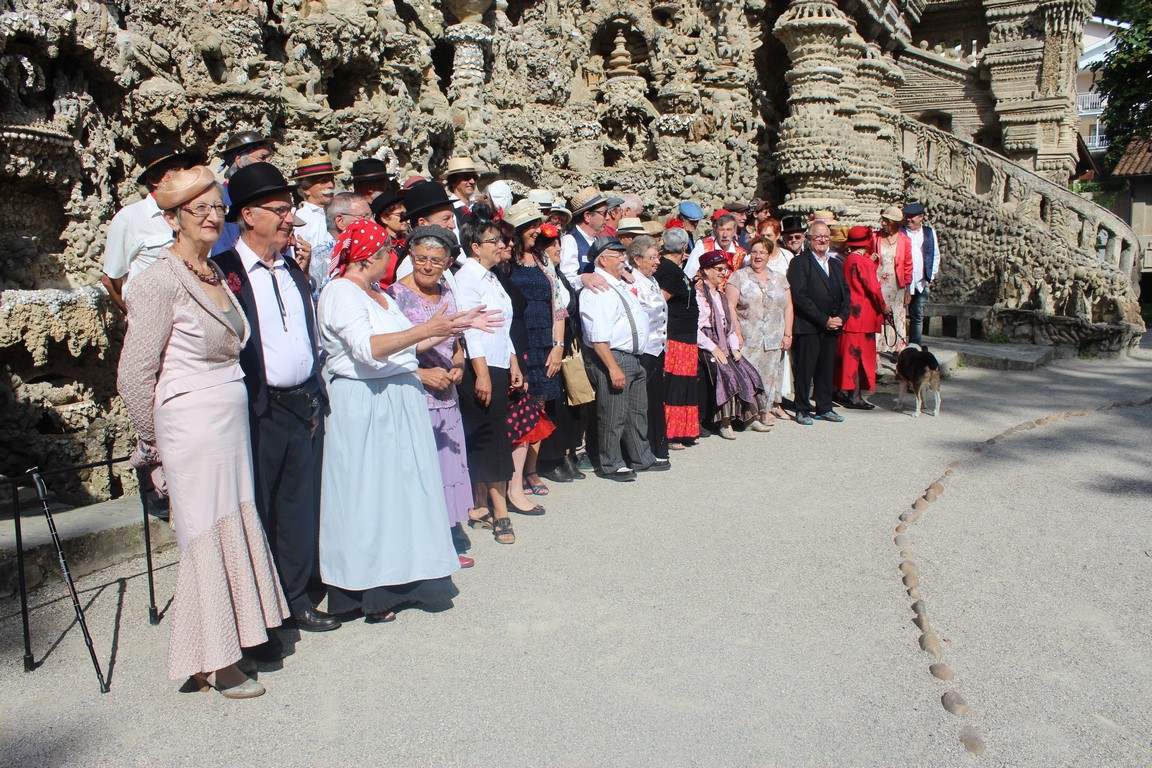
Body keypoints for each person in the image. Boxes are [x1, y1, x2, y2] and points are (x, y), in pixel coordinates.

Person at [117, 166, 286, 698]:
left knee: (227, 529)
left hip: (226, 424)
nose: (214, 216)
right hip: (189, 426)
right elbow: (133, 374)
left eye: (218, 206)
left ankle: (226, 642)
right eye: (199, 208)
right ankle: (215, 659)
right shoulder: (157, 279)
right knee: (204, 538)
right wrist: (153, 447)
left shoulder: (212, 271)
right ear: (171, 218)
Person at [317, 221, 495, 622]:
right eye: (387, 250)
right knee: (370, 497)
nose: (393, 257)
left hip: (397, 398)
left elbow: (408, 342)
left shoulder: (377, 294)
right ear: (371, 256)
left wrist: (451, 327)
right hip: (366, 403)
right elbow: (368, 349)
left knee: (402, 495)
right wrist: (427, 328)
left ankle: (406, 580)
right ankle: (367, 590)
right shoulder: (342, 293)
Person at [211, 162, 341, 646]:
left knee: (297, 506)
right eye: (281, 210)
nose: (290, 218)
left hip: (302, 404)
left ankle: (296, 598)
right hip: (258, 409)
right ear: (248, 215)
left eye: (289, 208)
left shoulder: (293, 268)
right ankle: (259, 614)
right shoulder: (224, 274)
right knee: (259, 509)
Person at [388, 226, 488, 569]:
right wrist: (421, 373)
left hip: (447, 392)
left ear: (447, 264)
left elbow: (456, 340)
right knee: (421, 470)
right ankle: (425, 541)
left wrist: (459, 364)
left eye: (435, 261)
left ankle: (447, 533)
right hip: (415, 393)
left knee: (448, 465)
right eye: (420, 259)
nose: (427, 266)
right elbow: (389, 349)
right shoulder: (396, 295)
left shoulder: (447, 293)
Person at [455, 220, 523, 544]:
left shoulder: (491, 277)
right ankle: (500, 511)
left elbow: (501, 326)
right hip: (478, 367)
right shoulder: (467, 277)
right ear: (475, 247)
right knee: (492, 437)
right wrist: (482, 374)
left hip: (497, 363)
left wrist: (513, 363)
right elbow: (471, 329)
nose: (500, 245)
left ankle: (480, 505)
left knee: (491, 436)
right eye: (492, 240)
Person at [579, 236, 662, 481]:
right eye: (618, 255)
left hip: (632, 356)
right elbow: (598, 337)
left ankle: (641, 456)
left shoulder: (618, 283)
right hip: (613, 356)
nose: (624, 258)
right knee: (613, 413)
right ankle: (611, 463)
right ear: (603, 259)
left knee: (637, 411)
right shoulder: (598, 289)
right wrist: (613, 367)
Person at [504, 200, 562, 508]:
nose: (537, 230)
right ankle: (514, 475)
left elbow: (560, 305)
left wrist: (558, 346)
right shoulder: (506, 262)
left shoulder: (542, 258)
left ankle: (531, 470)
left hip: (545, 340)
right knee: (520, 408)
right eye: (531, 226)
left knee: (539, 405)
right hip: (520, 339)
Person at [101, 142, 200, 314]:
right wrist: (138, 317)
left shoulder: (195, 212)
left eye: (186, 168)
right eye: (177, 169)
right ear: (155, 179)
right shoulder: (130, 218)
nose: (185, 175)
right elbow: (110, 280)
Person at [534, 222, 587, 483]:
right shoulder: (543, 274)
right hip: (551, 345)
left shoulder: (558, 275)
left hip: (567, 344)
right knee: (554, 403)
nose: (558, 248)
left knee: (569, 402)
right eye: (552, 244)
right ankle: (550, 458)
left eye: (559, 243)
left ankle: (568, 452)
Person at [696, 252, 769, 439]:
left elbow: (728, 328)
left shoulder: (720, 296)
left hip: (724, 342)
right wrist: (713, 347)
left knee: (747, 370)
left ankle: (750, 418)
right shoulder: (698, 294)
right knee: (726, 374)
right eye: (718, 269)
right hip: (706, 344)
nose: (723, 273)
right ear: (705, 271)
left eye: (725, 269)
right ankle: (724, 422)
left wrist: (734, 347)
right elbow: (695, 329)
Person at [787, 222, 850, 426]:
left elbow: (846, 295)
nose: (822, 240)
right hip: (809, 326)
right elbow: (800, 296)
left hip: (833, 327)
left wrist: (842, 316)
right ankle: (802, 408)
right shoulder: (800, 263)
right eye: (818, 237)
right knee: (805, 369)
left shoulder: (836, 264)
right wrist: (824, 320)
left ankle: (824, 406)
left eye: (826, 237)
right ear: (809, 239)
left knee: (826, 369)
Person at [727, 235, 793, 424]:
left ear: (768, 255)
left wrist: (788, 333)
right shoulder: (738, 276)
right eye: (754, 252)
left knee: (771, 374)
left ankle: (765, 410)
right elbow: (730, 306)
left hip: (773, 336)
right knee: (749, 374)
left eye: (762, 252)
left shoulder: (779, 278)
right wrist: (736, 333)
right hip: (749, 336)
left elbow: (788, 306)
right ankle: (748, 413)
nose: (757, 256)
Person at [653, 227, 701, 449]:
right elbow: (660, 301)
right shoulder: (670, 271)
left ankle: (684, 430)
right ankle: (672, 433)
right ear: (684, 247)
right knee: (676, 385)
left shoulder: (671, 269)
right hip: (676, 337)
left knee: (684, 383)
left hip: (684, 336)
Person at [836, 226, 889, 410]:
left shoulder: (848, 260)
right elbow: (873, 288)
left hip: (849, 315)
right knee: (858, 359)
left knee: (846, 356)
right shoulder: (863, 262)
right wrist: (884, 307)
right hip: (863, 317)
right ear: (867, 243)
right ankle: (855, 396)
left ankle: (840, 390)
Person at [627, 235, 671, 463]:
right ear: (636, 259)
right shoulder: (631, 281)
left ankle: (657, 446)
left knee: (655, 399)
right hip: (643, 351)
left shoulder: (652, 281)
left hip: (657, 348)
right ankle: (643, 449)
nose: (657, 262)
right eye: (652, 257)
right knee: (642, 402)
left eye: (658, 257)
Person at [212, 131, 276, 256]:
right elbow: (221, 249)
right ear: (240, 161)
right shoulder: (221, 198)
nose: (267, 163)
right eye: (262, 158)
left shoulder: (260, 197)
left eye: (269, 158)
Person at [309, 191, 371, 298]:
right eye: (364, 216)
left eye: (371, 215)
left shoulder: (369, 252)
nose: (372, 222)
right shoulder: (319, 260)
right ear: (340, 221)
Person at [872, 206, 912, 354]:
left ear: (894, 223)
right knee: (878, 317)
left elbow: (908, 265)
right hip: (879, 284)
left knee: (896, 318)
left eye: (886, 221)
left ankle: (899, 354)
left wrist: (908, 290)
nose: (883, 224)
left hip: (896, 286)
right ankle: (876, 354)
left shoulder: (904, 241)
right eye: (883, 220)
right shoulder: (875, 238)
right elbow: (869, 260)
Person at [901, 202, 940, 345]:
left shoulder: (929, 233)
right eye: (907, 217)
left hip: (920, 283)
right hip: (903, 283)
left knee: (917, 316)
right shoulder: (900, 232)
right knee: (899, 316)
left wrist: (931, 276)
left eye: (912, 217)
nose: (909, 220)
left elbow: (935, 255)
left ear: (921, 217)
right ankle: (898, 347)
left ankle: (915, 346)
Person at [559, 187, 609, 285]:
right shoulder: (570, 241)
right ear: (587, 216)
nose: (607, 218)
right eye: (604, 213)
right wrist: (582, 279)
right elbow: (567, 278)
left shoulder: (599, 241)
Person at [291, 156, 338, 258]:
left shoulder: (338, 213)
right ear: (306, 189)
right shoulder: (301, 219)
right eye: (323, 181)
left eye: (332, 180)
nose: (331, 185)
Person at [443, 156, 480, 225]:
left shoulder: (477, 206)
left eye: (475, 178)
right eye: (466, 177)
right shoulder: (449, 210)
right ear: (453, 182)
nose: (472, 181)